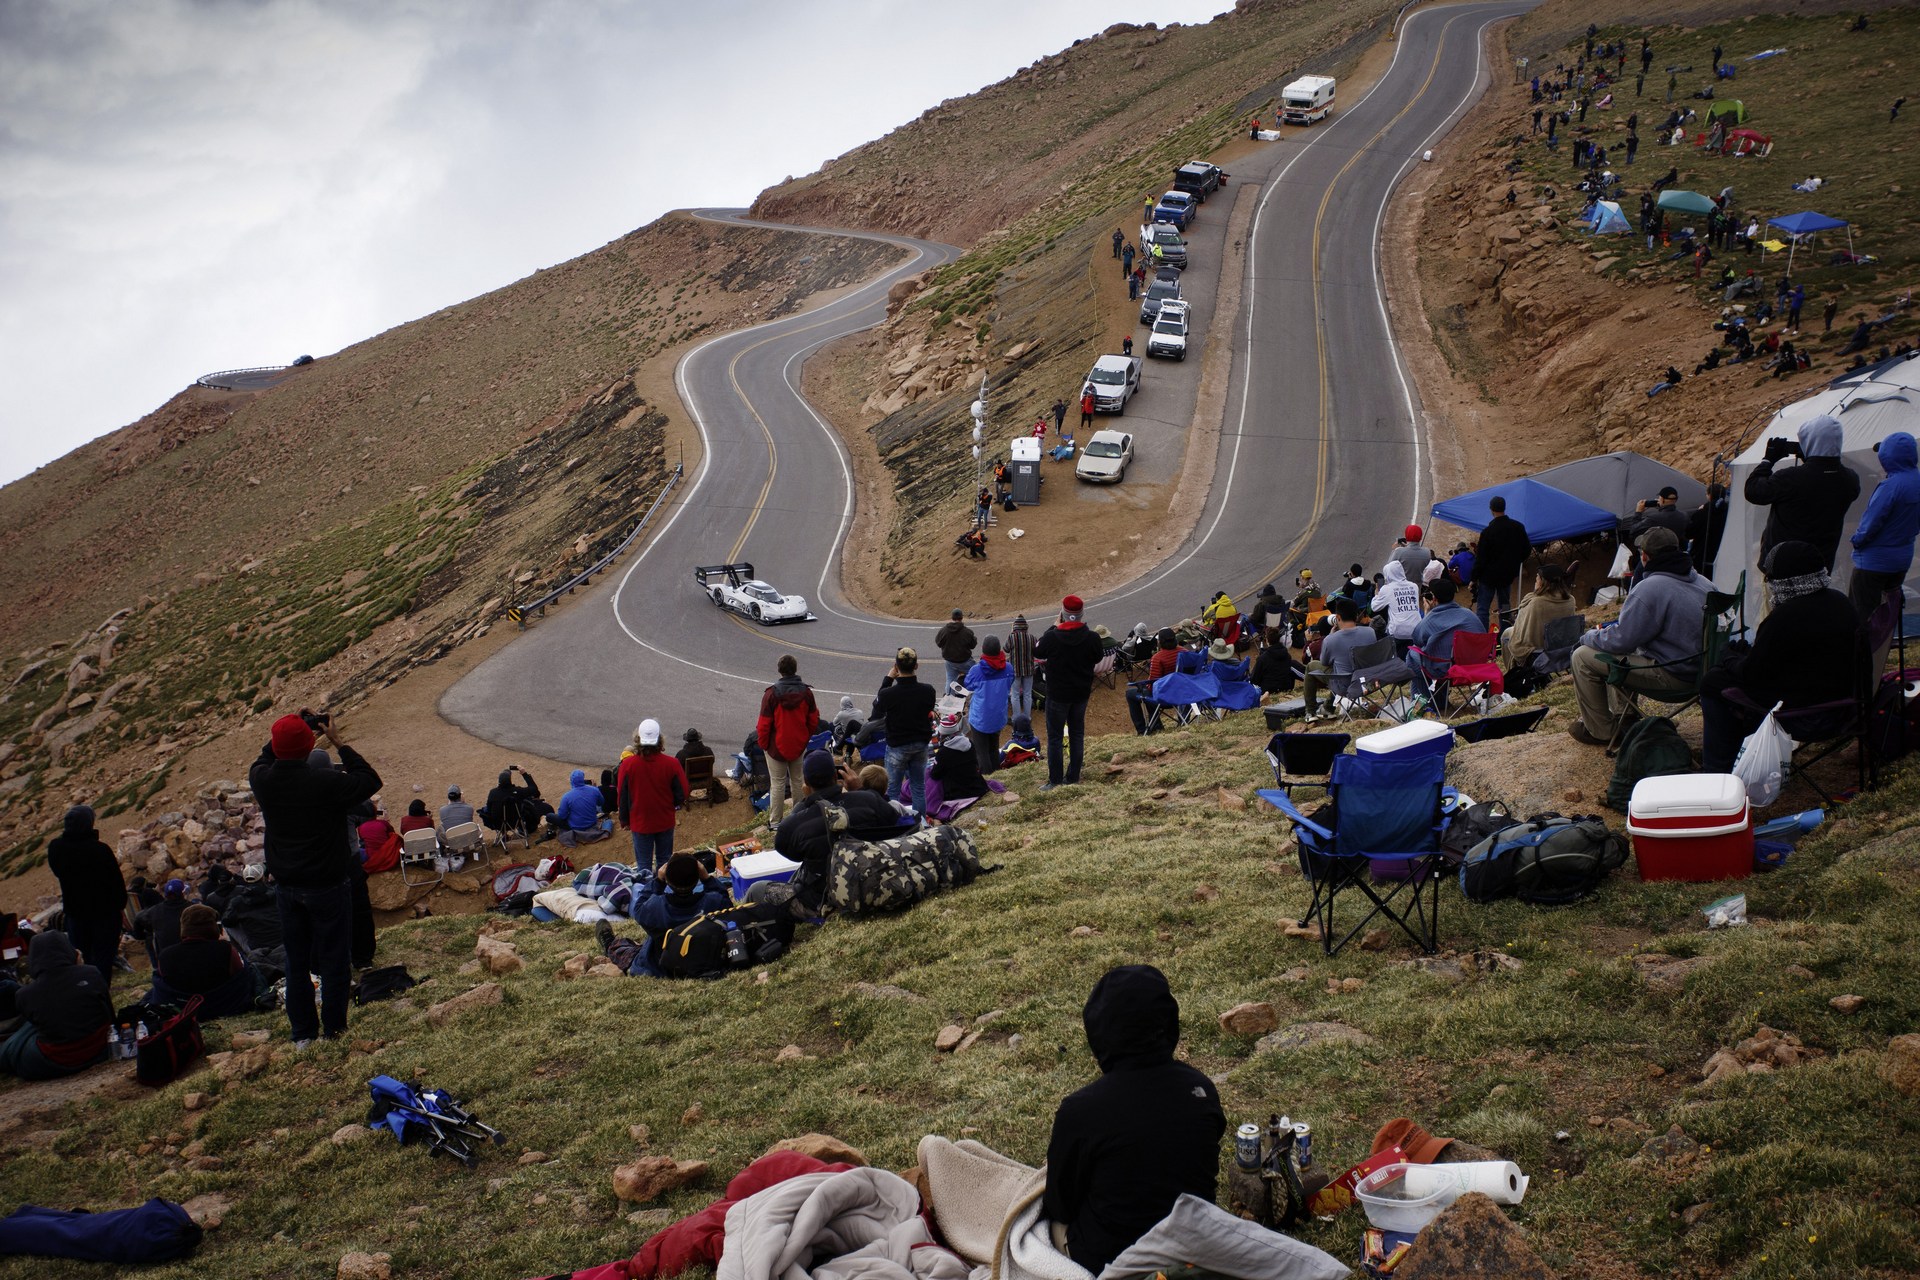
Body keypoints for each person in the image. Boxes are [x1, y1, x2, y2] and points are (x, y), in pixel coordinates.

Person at [1043, 965, 1225, 1275]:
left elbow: (1060, 1205)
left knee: (1042, 1223)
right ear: (1169, 1023)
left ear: (1098, 1032)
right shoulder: (1201, 1089)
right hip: (1194, 1248)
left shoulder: (1081, 1111)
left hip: (1110, 1261)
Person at [250, 711, 380, 1045]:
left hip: (288, 888)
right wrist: (336, 740)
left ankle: (303, 1034)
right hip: (328, 886)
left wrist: (291, 731)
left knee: (296, 962)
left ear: (277, 747)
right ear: (310, 746)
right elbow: (369, 779)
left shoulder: (263, 781)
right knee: (335, 960)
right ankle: (334, 1030)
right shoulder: (326, 783)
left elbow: (267, 756)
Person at [1699, 542, 1864, 771]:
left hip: (1807, 715)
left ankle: (1719, 770)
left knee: (1713, 682)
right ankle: (1740, 758)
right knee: (1725, 673)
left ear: (1783, 579)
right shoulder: (1840, 602)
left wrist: (1728, 657)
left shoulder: (1786, 616)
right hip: (1842, 703)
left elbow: (1753, 675)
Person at [1567, 527, 1710, 745]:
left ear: (1645, 556)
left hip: (1675, 678)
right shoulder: (1704, 582)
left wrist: (1588, 636)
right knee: (1623, 649)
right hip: (1702, 672)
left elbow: (1621, 638)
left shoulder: (1650, 588)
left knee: (1582, 656)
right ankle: (1626, 717)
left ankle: (1602, 731)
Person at [774, 751, 903, 916]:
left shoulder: (793, 824)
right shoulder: (870, 800)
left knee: (759, 889)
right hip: (876, 883)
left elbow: (790, 851)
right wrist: (861, 791)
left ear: (806, 782)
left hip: (824, 901)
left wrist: (806, 803)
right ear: (836, 776)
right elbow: (894, 820)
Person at [1745, 415, 1862, 572]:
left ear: (1809, 442)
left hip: (1782, 565)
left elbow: (1753, 492)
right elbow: (1820, 484)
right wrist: (1811, 460)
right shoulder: (1850, 479)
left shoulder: (1789, 478)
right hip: (1820, 565)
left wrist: (1768, 460)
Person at [594, 853, 732, 977]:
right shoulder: (714, 902)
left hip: (663, 965)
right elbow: (727, 903)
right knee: (639, 947)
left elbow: (638, 909)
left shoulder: (656, 907)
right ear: (697, 880)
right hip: (704, 960)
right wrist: (707, 879)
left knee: (627, 951)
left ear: (668, 881)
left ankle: (609, 943)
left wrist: (658, 881)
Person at [0, 932, 113, 1080]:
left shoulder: (24, 994)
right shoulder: (92, 973)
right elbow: (109, 1015)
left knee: (17, 1042)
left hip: (55, 1061)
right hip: (101, 1049)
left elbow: (36, 1027)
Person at [46, 804, 124, 988]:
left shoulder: (57, 848)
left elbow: (58, 871)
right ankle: (101, 990)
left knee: (82, 955)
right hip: (104, 913)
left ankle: (84, 990)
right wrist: (119, 906)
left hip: (75, 913)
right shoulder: (99, 849)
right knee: (103, 956)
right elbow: (116, 882)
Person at [1847, 432, 1919, 620]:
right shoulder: (1916, 481)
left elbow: (1872, 521)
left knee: (1861, 615)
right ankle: (1882, 646)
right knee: (1886, 614)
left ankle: (1863, 649)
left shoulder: (1891, 486)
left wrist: (1856, 540)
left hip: (1873, 562)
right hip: (1902, 558)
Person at [1035, 595, 1104, 791]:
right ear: (1082, 614)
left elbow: (1038, 651)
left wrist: (1054, 625)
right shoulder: (1092, 637)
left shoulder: (1052, 636)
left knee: (1055, 737)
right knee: (1076, 734)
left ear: (1062, 614)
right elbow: (1098, 656)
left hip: (1057, 694)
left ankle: (1055, 780)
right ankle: (1073, 776)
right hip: (1080, 693)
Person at [154, 904, 258, 1018]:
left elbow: (163, 982)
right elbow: (241, 973)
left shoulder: (165, 955)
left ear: (184, 928)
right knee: (253, 969)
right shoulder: (225, 949)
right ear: (213, 927)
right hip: (224, 1005)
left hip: (183, 1008)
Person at [755, 654, 820, 827]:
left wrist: (764, 745)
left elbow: (763, 724)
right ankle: (798, 816)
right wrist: (805, 737)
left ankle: (775, 822)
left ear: (779, 670)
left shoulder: (771, 694)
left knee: (777, 783)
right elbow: (814, 719)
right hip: (798, 744)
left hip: (776, 747)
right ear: (795, 669)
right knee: (798, 780)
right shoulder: (806, 693)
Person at [875, 647, 936, 819]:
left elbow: (877, 708)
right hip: (920, 743)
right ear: (916, 666)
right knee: (918, 786)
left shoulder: (888, 694)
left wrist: (888, 678)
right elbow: (928, 708)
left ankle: (893, 824)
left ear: (896, 666)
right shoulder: (928, 690)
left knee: (892, 789)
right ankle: (921, 822)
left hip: (897, 746)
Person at [617, 720, 687, 871]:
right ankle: (662, 892)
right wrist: (673, 804)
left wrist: (624, 820)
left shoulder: (627, 765)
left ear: (638, 740)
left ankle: (647, 892)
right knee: (664, 862)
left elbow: (622, 795)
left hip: (640, 821)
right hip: (664, 819)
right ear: (660, 739)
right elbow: (683, 791)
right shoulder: (672, 763)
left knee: (643, 866)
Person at [1407, 579, 1484, 709]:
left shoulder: (1431, 619)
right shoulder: (1469, 615)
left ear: (1434, 598)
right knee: (1442, 655)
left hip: (1447, 670)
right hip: (1474, 667)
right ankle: (1438, 699)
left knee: (1412, 655)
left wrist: (1427, 613)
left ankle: (1423, 704)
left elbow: (1417, 639)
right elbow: (1482, 635)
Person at [1500, 564, 1577, 671]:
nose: (1535, 580)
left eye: (1537, 578)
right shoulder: (1571, 600)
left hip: (1538, 651)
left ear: (1543, 582)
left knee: (1506, 634)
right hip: (1561, 648)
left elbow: (1522, 631)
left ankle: (1513, 672)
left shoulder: (1536, 602)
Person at [1473, 494, 1534, 628]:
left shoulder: (1488, 532)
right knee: (1505, 606)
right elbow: (1526, 549)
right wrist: (1515, 562)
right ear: (1504, 508)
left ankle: (1484, 639)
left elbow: (1481, 558)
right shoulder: (1518, 527)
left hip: (1488, 577)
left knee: (1483, 609)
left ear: (1491, 510)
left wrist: (1474, 578)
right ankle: (1504, 636)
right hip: (1507, 575)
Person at [962, 635, 1014, 774]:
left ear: (984, 650)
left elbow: (968, 685)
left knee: (981, 751)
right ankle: (997, 773)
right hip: (998, 716)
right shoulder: (1008, 668)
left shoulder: (976, 670)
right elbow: (1010, 683)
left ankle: (987, 778)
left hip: (980, 718)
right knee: (993, 747)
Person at [221, 864, 283, 956]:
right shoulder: (277, 893)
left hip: (257, 946)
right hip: (283, 940)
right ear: (263, 878)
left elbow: (227, 922)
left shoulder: (238, 902)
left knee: (227, 924)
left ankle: (243, 956)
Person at [929, 711, 987, 805]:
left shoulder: (943, 752)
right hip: (976, 787)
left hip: (957, 793)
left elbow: (935, 775)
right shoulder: (969, 743)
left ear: (942, 733)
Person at [133, 877, 191, 968]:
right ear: (182, 893)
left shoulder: (154, 911)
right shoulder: (193, 909)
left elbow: (138, 920)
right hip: (190, 955)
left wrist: (142, 935)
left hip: (166, 960)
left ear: (165, 895)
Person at [1371, 561, 1423, 658]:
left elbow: (1374, 607)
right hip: (1416, 629)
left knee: (1397, 656)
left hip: (1398, 632)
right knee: (1413, 656)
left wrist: (1377, 594)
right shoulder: (1414, 586)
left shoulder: (1387, 589)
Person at [553, 769, 609, 847]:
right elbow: (601, 803)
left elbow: (562, 816)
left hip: (575, 826)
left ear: (572, 781)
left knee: (550, 816)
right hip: (592, 822)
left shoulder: (567, 796)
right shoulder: (594, 790)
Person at [1623, 486, 1690, 546]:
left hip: (1659, 554)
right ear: (1676, 500)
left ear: (1662, 499)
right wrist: (1661, 509)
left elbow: (1633, 531)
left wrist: (1638, 512)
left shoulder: (1654, 518)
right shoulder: (1684, 516)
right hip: (1678, 553)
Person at [1688, 483, 1730, 573]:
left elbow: (1689, 533)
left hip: (1701, 555)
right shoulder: (1729, 512)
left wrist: (1698, 512)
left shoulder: (1701, 513)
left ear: (1709, 495)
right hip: (1724, 555)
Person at [935, 610, 978, 692]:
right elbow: (973, 645)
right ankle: (973, 696)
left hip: (950, 662)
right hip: (965, 661)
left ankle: (948, 699)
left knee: (950, 681)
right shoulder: (967, 632)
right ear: (962, 617)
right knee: (975, 677)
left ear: (952, 617)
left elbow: (938, 643)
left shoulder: (944, 631)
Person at [1005, 615, 1038, 721]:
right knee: (1027, 694)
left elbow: (1006, 649)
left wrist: (1011, 632)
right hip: (1029, 670)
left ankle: (1016, 717)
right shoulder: (1032, 637)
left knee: (1014, 694)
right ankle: (1027, 717)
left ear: (1015, 627)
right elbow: (1037, 651)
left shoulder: (1012, 637)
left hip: (1015, 671)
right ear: (1026, 627)